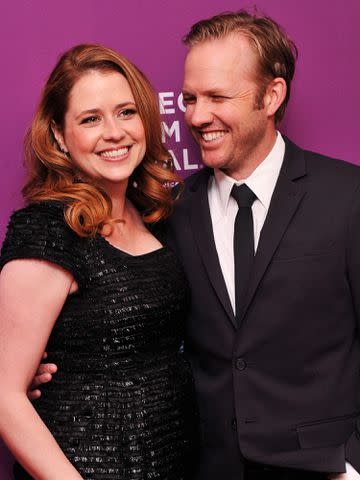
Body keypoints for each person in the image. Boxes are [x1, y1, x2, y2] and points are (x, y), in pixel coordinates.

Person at [31, 9, 360, 480]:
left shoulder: (348, 196)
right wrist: (45, 365)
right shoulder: (169, 211)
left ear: (271, 95)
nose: (197, 117)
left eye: (217, 97)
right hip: (203, 466)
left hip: (324, 466)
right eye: (189, 99)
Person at [0, 44, 197, 479]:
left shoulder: (158, 218)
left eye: (126, 112)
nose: (115, 132)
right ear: (57, 135)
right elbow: (5, 396)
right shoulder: (47, 230)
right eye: (90, 119)